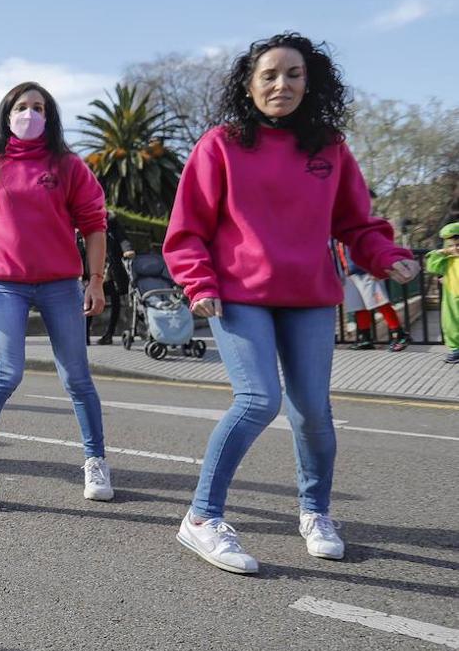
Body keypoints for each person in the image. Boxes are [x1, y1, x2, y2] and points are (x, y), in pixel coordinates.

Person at [164, 33, 419, 575]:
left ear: (311, 81)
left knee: (313, 413)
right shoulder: (221, 144)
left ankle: (315, 512)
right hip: (238, 294)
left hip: (308, 296)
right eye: (270, 75)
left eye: (294, 74)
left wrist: (386, 256)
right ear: (249, 84)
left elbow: (357, 223)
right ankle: (203, 518)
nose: (282, 84)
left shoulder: (329, 147)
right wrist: (199, 283)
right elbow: (187, 230)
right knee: (258, 401)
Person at [0, 81, 113, 510]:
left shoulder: (68, 166)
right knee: (6, 374)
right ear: (7, 115)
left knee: (77, 378)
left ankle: (95, 460)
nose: (30, 113)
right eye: (21, 106)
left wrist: (95, 280)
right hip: (5, 284)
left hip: (61, 283)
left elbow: (95, 224)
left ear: (50, 116)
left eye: (39, 107)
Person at [335, 242, 409, 351]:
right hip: (350, 273)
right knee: (358, 306)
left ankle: (400, 335)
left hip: (367, 271)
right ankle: (365, 339)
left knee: (380, 303)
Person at [92, 211, 134, 346]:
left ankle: (109, 334)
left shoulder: (110, 220)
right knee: (87, 300)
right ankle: (83, 335)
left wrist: (127, 250)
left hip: (110, 267)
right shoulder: (81, 216)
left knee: (116, 298)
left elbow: (122, 238)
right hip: (91, 267)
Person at [424, 222, 459, 363]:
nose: (455, 248)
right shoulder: (447, 260)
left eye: (458, 244)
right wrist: (441, 252)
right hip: (452, 296)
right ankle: (456, 350)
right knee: (451, 323)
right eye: (451, 245)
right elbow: (432, 266)